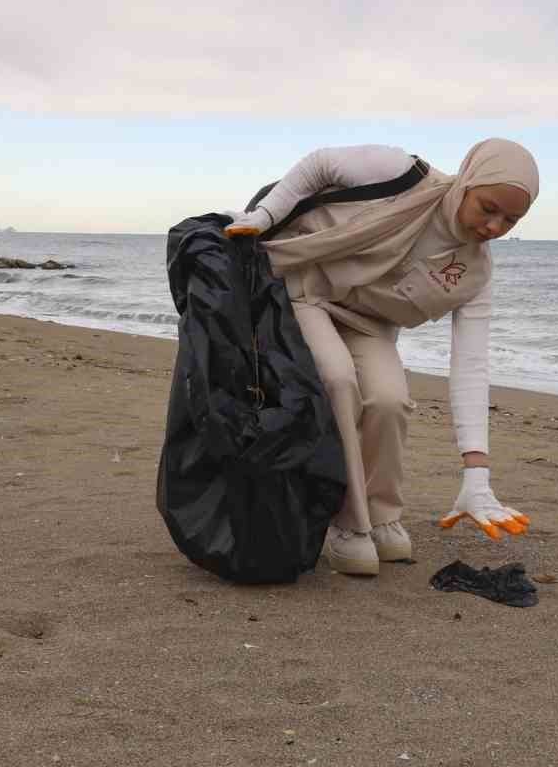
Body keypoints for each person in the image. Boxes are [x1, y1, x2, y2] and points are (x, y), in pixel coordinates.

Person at [225, 140, 538, 575]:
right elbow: (319, 165)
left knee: (390, 400)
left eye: (510, 220)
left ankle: (382, 515)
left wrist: (477, 474)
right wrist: (264, 217)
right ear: (467, 181)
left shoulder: (476, 274)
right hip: (305, 291)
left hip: (368, 324)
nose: (493, 225)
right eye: (488, 208)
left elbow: (471, 366)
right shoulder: (401, 175)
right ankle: (349, 525)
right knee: (338, 381)